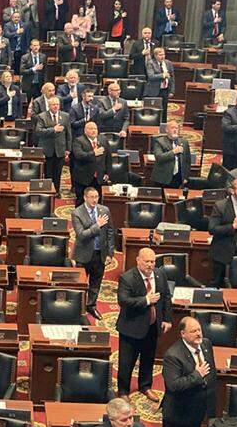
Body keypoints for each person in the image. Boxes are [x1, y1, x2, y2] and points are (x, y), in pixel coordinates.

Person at [161, 317, 217, 427]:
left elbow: (212, 372)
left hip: (198, 407)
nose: (198, 333)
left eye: (199, 329)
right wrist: (197, 375)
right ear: (183, 334)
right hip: (178, 410)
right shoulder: (173, 355)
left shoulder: (206, 344)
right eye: (194, 331)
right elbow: (173, 385)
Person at [117, 247, 172, 397]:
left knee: (148, 359)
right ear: (138, 260)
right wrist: (147, 300)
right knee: (126, 362)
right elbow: (123, 301)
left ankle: (145, 386)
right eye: (147, 261)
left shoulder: (160, 274)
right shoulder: (127, 278)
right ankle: (123, 391)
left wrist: (167, 319)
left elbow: (166, 296)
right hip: (131, 327)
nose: (150, 265)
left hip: (152, 326)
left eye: (153, 261)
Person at [73, 187, 113, 320]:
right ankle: (77, 308)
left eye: (96, 197)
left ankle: (91, 306)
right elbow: (81, 235)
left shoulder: (104, 210)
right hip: (83, 255)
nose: (95, 200)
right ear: (85, 197)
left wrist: (110, 253)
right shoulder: (77, 213)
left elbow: (110, 232)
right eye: (92, 197)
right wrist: (97, 225)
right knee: (80, 284)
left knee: (96, 282)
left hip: (100, 254)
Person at [36, 96, 71, 191]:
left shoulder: (65, 116)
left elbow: (68, 133)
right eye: (53, 104)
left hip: (60, 149)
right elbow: (39, 131)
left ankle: (57, 190)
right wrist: (53, 130)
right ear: (49, 106)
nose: (56, 106)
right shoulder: (42, 116)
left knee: (58, 173)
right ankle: (48, 191)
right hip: (47, 149)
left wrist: (68, 149)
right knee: (48, 173)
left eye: (57, 104)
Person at [71, 121, 109, 206]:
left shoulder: (103, 140)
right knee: (81, 202)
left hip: (99, 178)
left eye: (95, 129)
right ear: (85, 130)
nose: (93, 131)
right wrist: (93, 153)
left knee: (97, 202)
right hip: (83, 178)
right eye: (91, 129)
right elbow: (78, 155)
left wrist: (107, 173)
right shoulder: (78, 141)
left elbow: (108, 158)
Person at [150, 120, 190, 188]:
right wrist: (173, 152)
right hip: (163, 179)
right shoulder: (159, 141)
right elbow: (159, 158)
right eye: (172, 128)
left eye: (176, 128)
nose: (175, 130)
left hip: (178, 178)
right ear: (167, 130)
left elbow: (187, 161)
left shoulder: (184, 142)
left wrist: (185, 177)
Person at [145, 47, 174, 121]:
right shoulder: (150, 63)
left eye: (163, 54)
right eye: (160, 55)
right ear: (155, 56)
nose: (163, 56)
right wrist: (163, 75)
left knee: (164, 110)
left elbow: (172, 78)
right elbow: (151, 76)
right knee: (153, 110)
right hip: (154, 90)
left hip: (165, 90)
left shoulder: (168, 63)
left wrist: (171, 91)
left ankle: (163, 125)